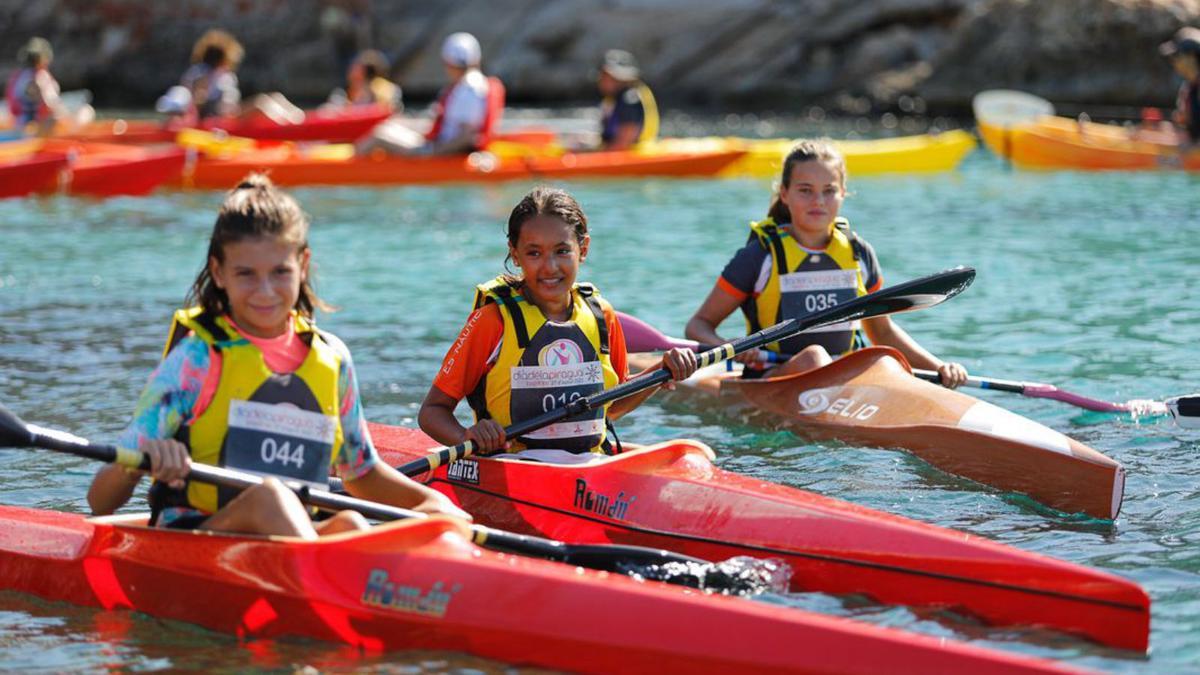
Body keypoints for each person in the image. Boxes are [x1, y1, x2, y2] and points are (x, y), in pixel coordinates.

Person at [87, 174, 467, 539]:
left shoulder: (331, 358)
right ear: (219, 273)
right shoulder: (196, 360)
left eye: (280, 272)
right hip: (196, 537)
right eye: (247, 274)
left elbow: (360, 472)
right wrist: (138, 463)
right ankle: (328, 585)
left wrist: (434, 503)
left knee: (350, 521)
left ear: (302, 266)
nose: (265, 291)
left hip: (290, 538)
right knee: (271, 497)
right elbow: (100, 502)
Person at [418, 186, 697, 457]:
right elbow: (432, 412)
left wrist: (659, 372)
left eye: (562, 251)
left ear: (583, 249)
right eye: (534, 253)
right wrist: (467, 436)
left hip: (590, 465)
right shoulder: (493, 321)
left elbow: (610, 408)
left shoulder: (601, 315)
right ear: (515, 254)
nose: (550, 267)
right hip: (512, 465)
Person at [684, 140, 969, 387]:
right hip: (774, 377)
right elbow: (699, 325)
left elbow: (882, 332)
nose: (818, 201)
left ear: (843, 193)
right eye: (805, 190)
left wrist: (938, 367)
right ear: (784, 193)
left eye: (829, 190)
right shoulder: (759, 256)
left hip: (845, 376)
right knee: (814, 357)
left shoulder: (859, 253)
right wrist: (728, 347)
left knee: (882, 359)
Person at [355, 32, 503, 156]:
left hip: (441, 151)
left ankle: (351, 167)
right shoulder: (472, 85)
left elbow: (467, 136)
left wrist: (434, 152)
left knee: (379, 135)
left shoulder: (469, 89)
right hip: (438, 145)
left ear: (449, 63)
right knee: (389, 127)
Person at [166, 29, 304, 126]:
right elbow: (198, 101)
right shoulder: (201, 73)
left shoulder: (219, 73)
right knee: (260, 104)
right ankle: (292, 127)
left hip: (229, 112)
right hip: (218, 118)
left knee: (276, 96)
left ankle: (301, 120)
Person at [5, 37, 94, 135]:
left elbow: (13, 106)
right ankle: (74, 137)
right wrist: (69, 116)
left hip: (18, 124)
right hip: (39, 130)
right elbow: (50, 107)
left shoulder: (16, 77)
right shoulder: (41, 77)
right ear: (43, 59)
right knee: (87, 111)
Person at [597, 49, 659, 150]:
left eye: (606, 76)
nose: (600, 80)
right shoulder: (614, 99)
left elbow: (625, 140)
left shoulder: (629, 98)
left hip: (631, 154)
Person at [1159, 26, 1200, 147]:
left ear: (1191, 57)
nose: (1172, 61)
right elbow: (1186, 124)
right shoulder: (1188, 88)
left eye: (1177, 56)